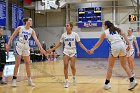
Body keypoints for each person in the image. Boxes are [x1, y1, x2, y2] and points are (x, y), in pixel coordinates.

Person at [89, 21, 137, 90]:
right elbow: (124, 35)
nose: (103, 26)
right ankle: (132, 80)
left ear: (106, 26)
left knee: (110, 66)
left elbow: (98, 43)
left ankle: (106, 84)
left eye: (104, 25)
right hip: (122, 45)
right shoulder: (117, 29)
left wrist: (92, 49)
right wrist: (129, 44)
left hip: (115, 46)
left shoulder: (105, 32)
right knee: (125, 65)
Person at [6, 17, 46, 87]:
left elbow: (36, 40)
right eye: (30, 20)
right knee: (17, 63)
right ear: (26, 22)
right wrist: (8, 45)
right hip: (19, 45)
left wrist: (41, 48)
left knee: (27, 63)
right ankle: (14, 80)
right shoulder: (20, 28)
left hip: (26, 46)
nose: (31, 21)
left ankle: (29, 80)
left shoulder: (32, 30)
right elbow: (12, 36)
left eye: (31, 20)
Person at [48, 22, 89, 88]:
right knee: (65, 65)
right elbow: (59, 44)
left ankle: (74, 77)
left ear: (71, 27)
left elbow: (80, 43)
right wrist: (52, 49)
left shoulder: (75, 34)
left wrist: (86, 50)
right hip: (66, 51)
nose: (66, 27)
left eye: (67, 26)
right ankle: (66, 81)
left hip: (73, 51)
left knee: (72, 66)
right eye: (66, 26)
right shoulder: (63, 35)